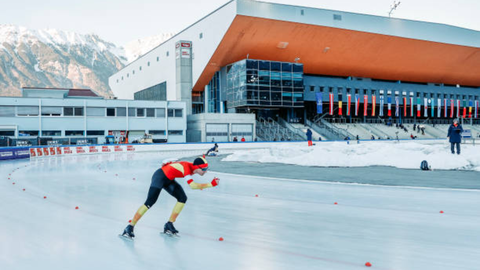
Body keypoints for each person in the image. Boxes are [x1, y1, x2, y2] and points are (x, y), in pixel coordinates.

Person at [121, 157, 219, 238]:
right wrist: (211, 184)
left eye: (207, 169)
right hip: (159, 177)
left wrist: (168, 162)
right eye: (204, 169)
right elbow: (192, 186)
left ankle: (169, 224)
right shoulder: (187, 168)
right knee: (149, 202)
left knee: (182, 198)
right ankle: (130, 227)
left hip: (169, 179)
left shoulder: (193, 167)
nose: (205, 172)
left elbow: (174, 164)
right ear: (197, 167)